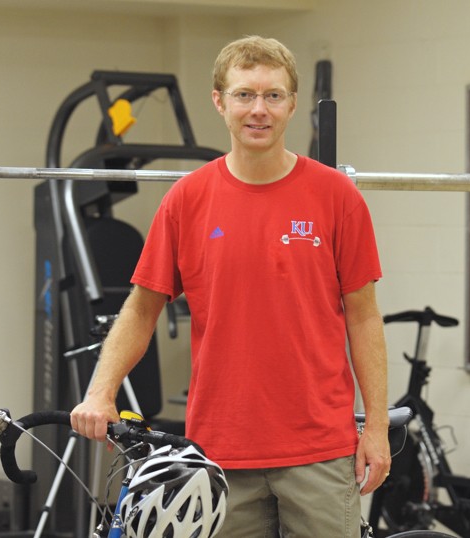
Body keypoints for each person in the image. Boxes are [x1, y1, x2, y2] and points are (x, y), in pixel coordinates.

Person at [70, 35, 390, 537]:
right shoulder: (186, 200)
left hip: (320, 450)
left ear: (292, 103)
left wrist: (375, 426)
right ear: (219, 102)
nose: (258, 110)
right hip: (220, 451)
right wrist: (100, 391)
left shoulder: (336, 197)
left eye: (273, 95)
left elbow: (364, 315)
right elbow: (140, 309)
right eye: (244, 95)